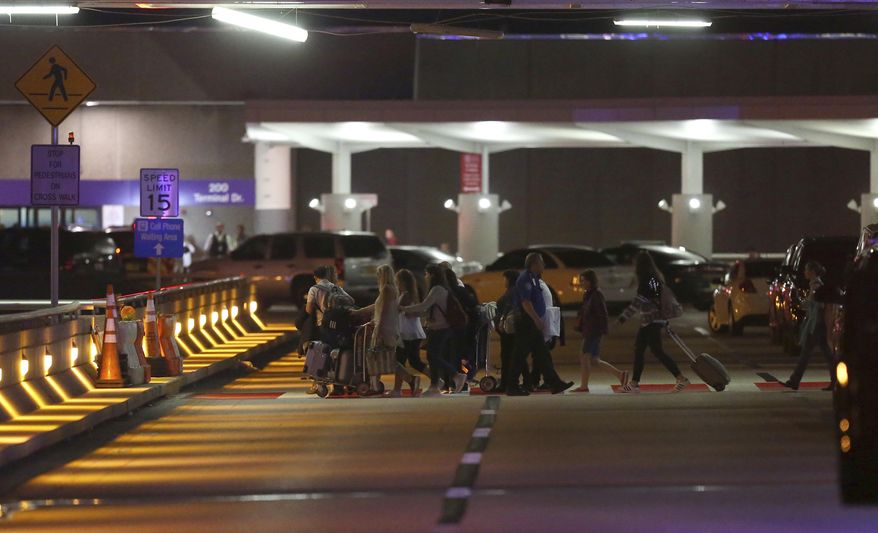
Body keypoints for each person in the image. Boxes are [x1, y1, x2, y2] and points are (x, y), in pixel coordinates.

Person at [616, 251, 690, 393]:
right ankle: (634, 383)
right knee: (639, 350)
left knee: (657, 350)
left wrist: (622, 318)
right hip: (649, 321)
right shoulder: (654, 279)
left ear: (640, 265)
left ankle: (681, 378)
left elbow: (639, 302)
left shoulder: (649, 280)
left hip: (653, 321)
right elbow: (653, 300)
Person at [506, 253, 574, 396]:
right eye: (542, 263)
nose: (543, 266)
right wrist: (536, 319)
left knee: (542, 354)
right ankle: (511, 385)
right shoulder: (525, 279)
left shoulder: (534, 279)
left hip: (532, 322)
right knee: (520, 355)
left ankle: (554, 383)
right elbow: (526, 302)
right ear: (534, 264)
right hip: (527, 322)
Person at [401, 264, 468, 396]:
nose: (425, 277)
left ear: (432, 275)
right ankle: (435, 386)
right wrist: (414, 313)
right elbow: (428, 310)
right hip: (438, 328)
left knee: (433, 356)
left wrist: (403, 309)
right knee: (432, 356)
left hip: (441, 329)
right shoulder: (439, 289)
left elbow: (423, 306)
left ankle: (456, 376)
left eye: (426, 274)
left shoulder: (437, 289)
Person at [355, 265, 419, 397]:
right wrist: (359, 312)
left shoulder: (386, 289)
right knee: (382, 358)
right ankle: (376, 385)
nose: (377, 278)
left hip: (384, 330)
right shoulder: (391, 290)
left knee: (381, 358)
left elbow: (383, 311)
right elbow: (377, 306)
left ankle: (409, 379)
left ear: (383, 275)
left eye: (378, 275)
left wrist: (378, 330)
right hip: (388, 329)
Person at [781, 261, 835, 391]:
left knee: (806, 354)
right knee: (827, 354)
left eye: (806, 269)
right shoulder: (814, 285)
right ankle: (836, 380)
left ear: (812, 272)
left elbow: (818, 305)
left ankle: (795, 380)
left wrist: (802, 302)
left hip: (815, 325)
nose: (804, 272)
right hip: (817, 324)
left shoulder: (816, 285)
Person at [575, 269, 628, 392]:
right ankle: (620, 375)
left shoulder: (596, 294)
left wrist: (603, 332)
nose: (581, 283)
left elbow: (603, 314)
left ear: (590, 281)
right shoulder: (588, 294)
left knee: (584, 357)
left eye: (583, 280)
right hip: (590, 330)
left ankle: (584, 386)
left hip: (593, 331)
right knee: (594, 359)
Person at [396, 269, 428, 377]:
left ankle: (437, 381)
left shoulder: (405, 295)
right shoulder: (411, 294)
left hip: (408, 334)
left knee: (400, 363)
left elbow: (397, 309)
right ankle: (438, 381)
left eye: (397, 281)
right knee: (410, 362)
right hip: (412, 333)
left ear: (403, 282)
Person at [495, 270, 520, 393]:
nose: (503, 281)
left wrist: (501, 319)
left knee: (507, 356)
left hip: (509, 329)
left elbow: (508, 306)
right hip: (509, 329)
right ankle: (510, 382)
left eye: (505, 279)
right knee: (511, 356)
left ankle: (507, 383)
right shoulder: (514, 291)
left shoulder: (512, 292)